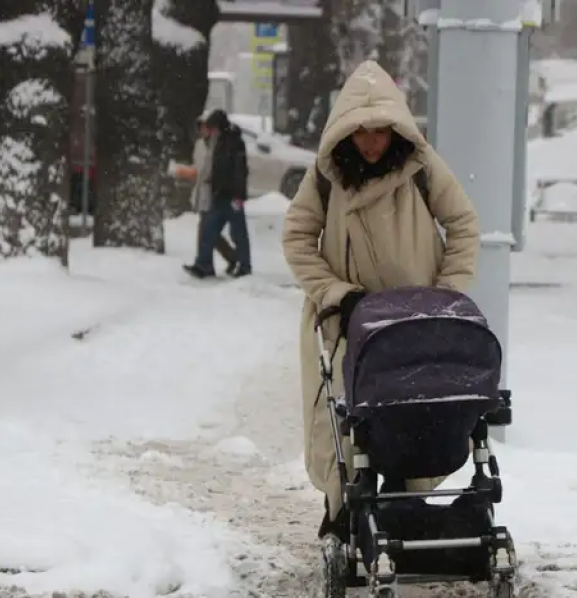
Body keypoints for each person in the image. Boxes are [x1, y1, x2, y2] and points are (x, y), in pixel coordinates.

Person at [281, 60, 481, 542]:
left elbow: (463, 224)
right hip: (349, 320)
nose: (371, 143)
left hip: (418, 320)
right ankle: (345, 503)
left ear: (397, 130)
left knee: (414, 409)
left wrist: (445, 295)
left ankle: (402, 500)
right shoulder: (327, 176)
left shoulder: (421, 167)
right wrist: (334, 293)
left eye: (380, 131)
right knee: (344, 416)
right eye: (361, 132)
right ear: (345, 132)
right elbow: (297, 237)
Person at [184, 109, 251, 279]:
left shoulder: (234, 143)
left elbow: (240, 171)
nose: (211, 131)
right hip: (219, 194)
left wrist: (239, 195)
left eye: (213, 127)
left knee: (238, 233)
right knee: (208, 229)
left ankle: (244, 266)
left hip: (232, 196)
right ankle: (203, 264)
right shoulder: (218, 142)